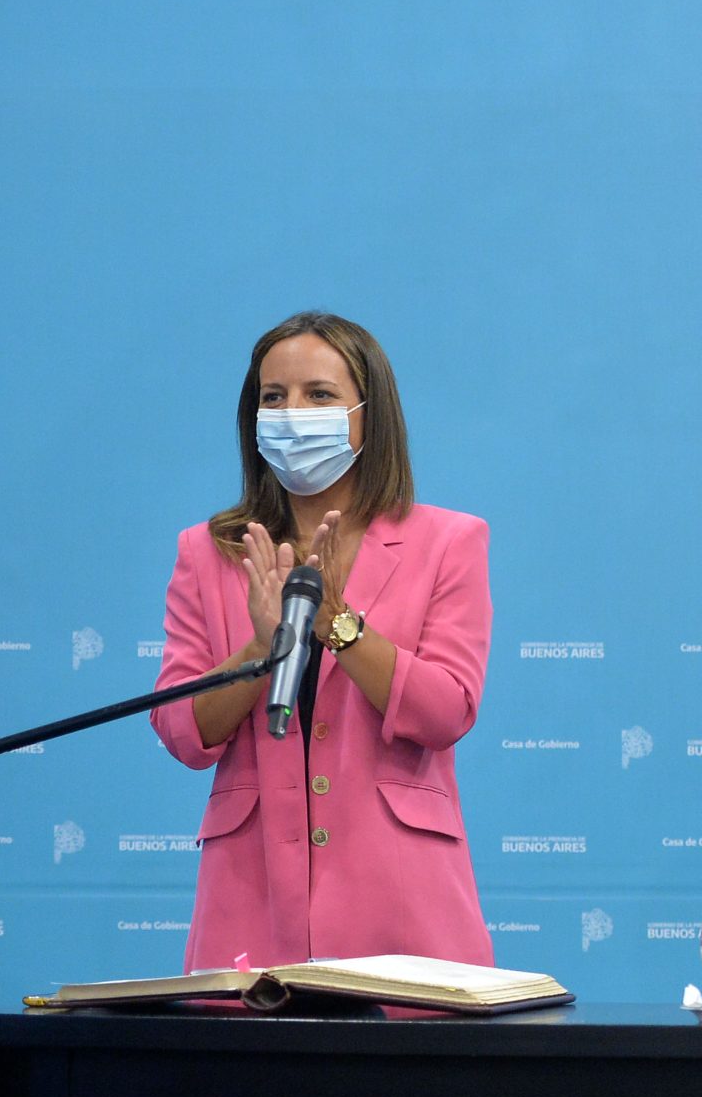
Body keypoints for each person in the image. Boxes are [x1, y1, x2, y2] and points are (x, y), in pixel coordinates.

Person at [150, 310, 495, 972]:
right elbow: (182, 733)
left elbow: (445, 713)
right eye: (274, 397)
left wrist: (338, 622)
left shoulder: (448, 542)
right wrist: (260, 651)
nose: (292, 415)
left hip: (402, 908)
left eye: (319, 395)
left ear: (369, 415)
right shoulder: (208, 552)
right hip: (249, 910)